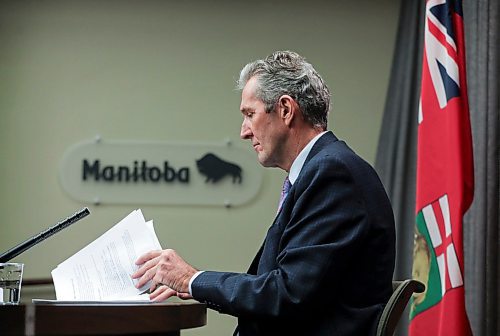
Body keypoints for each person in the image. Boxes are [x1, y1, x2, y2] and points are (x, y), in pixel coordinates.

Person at [132, 50, 396, 336]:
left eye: (250, 114)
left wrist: (193, 280)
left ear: (285, 109)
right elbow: (283, 286)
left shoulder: (333, 173)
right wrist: (198, 284)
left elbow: (287, 295)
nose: (244, 131)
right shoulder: (321, 169)